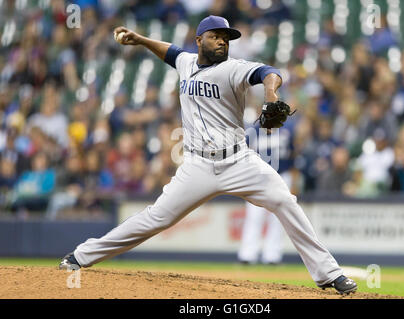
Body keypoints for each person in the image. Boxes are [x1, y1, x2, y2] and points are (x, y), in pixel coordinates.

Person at [59, 15, 357, 294]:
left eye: (226, 38)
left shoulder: (232, 69)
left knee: (284, 200)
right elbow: (171, 52)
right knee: (156, 218)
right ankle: (82, 256)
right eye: (216, 37)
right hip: (197, 165)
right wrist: (140, 39)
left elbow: (268, 72)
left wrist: (271, 94)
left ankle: (329, 273)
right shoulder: (187, 62)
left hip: (239, 161)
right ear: (199, 39)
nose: (223, 42)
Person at [237, 115, 299, 265]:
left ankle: (272, 256)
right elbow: (244, 156)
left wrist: (294, 180)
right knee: (254, 215)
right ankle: (248, 254)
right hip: (259, 176)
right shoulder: (254, 131)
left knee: (278, 217)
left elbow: (292, 157)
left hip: (282, 175)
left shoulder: (286, 131)